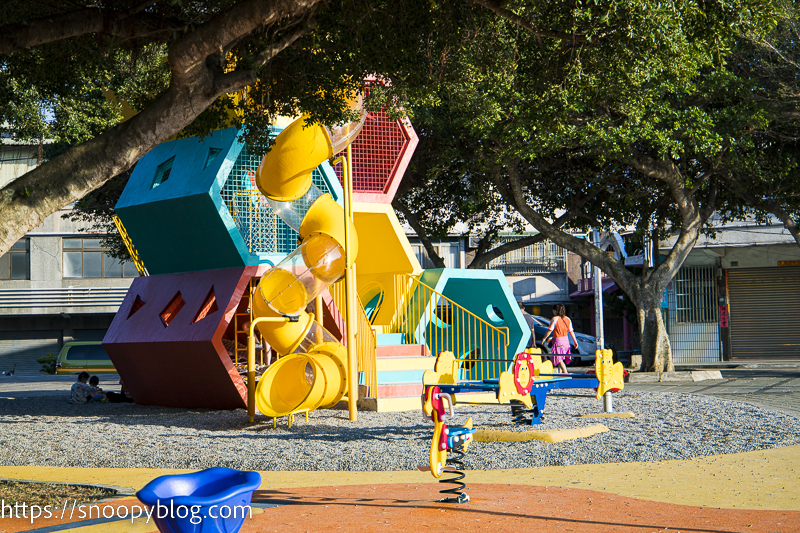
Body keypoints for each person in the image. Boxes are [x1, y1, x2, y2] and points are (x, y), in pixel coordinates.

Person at [541, 304, 579, 374]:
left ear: (555, 310)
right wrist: (575, 341)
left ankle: (565, 372)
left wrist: (544, 338)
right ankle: (560, 372)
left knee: (558, 358)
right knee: (561, 358)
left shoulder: (554, 319)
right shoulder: (568, 319)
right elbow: (571, 331)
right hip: (566, 341)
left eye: (553, 310)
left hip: (558, 341)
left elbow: (550, 330)